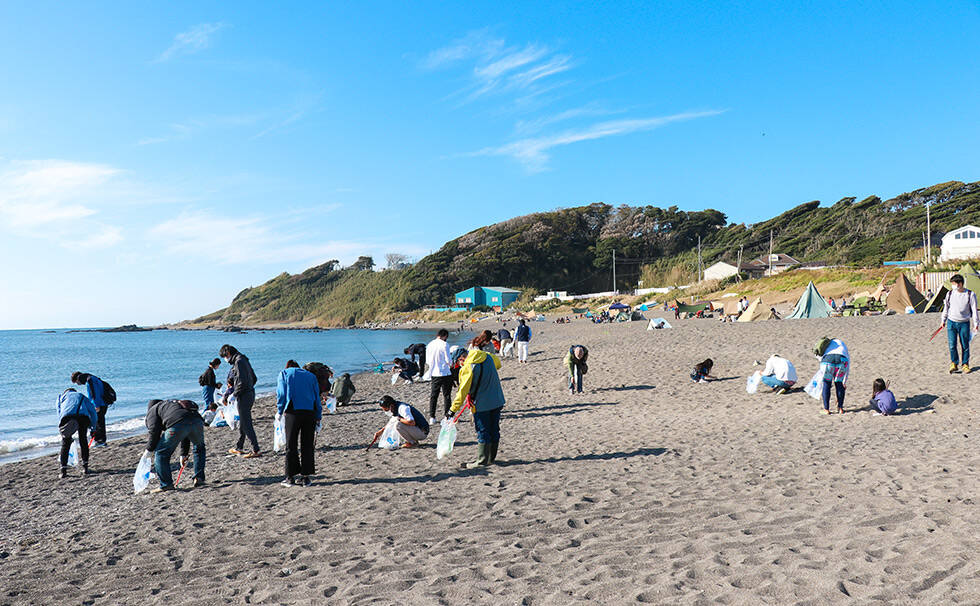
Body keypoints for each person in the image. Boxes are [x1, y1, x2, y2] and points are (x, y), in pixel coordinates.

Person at [449, 333, 505, 468]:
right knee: (494, 429)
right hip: (497, 399)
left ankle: (482, 461)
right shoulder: (487, 356)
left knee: (483, 431)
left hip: (482, 404)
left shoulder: (468, 367)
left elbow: (462, 392)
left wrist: (452, 410)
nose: (459, 366)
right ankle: (491, 458)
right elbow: (498, 364)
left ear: (461, 358)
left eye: (458, 363)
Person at [276, 360, 322, 487]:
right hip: (310, 412)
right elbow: (316, 397)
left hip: (293, 412)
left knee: (291, 444)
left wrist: (279, 411)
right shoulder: (310, 376)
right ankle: (305, 477)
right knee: (307, 445)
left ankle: (290, 477)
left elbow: (281, 394)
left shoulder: (283, 374)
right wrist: (319, 416)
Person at [144, 399, 206, 492]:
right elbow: (186, 432)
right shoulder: (171, 405)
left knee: (161, 453)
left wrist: (149, 450)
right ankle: (199, 478)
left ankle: (166, 484)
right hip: (197, 420)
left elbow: (154, 432)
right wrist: (183, 454)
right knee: (199, 448)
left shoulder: (153, 411)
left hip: (178, 423)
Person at [220, 344, 260, 458]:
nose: (225, 360)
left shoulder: (238, 362)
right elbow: (254, 378)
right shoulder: (244, 360)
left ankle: (256, 449)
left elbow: (242, 381)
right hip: (249, 393)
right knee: (243, 422)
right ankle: (239, 446)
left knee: (246, 423)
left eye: (225, 357)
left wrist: (234, 394)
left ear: (228, 353)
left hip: (244, 395)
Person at [941, 274, 980, 374]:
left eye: (954, 283)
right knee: (952, 345)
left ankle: (965, 364)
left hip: (964, 323)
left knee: (965, 345)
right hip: (951, 322)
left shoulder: (970, 294)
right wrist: (943, 321)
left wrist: (976, 324)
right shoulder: (949, 294)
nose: (953, 286)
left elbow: (974, 310)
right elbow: (946, 308)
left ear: (960, 283)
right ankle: (954, 363)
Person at [57, 388, 98, 478]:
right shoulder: (82, 396)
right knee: (83, 440)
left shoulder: (61, 397)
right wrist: (93, 428)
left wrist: (61, 427)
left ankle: (63, 471)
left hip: (67, 417)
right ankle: (85, 467)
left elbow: (59, 412)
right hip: (83, 418)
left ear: (66, 392)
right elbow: (93, 412)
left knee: (65, 443)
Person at [70, 371, 111, 447]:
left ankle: (99, 441)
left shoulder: (90, 380)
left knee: (96, 423)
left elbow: (95, 394)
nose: (78, 384)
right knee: (100, 422)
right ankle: (101, 441)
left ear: (78, 379)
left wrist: (96, 405)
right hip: (102, 403)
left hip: (99, 404)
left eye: (76, 382)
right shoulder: (92, 378)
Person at [814, 337, 849, 414]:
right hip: (842, 360)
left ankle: (826, 409)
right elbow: (847, 361)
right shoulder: (842, 344)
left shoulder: (825, 345)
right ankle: (840, 408)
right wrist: (844, 381)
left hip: (827, 361)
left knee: (826, 384)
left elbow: (819, 356)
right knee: (839, 384)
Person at [426, 329, 453, 424]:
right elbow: (448, 360)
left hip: (434, 373)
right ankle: (447, 416)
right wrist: (451, 364)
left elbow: (427, 361)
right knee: (447, 395)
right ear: (445, 336)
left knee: (434, 395)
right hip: (445, 372)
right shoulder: (445, 344)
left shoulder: (430, 344)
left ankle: (432, 417)